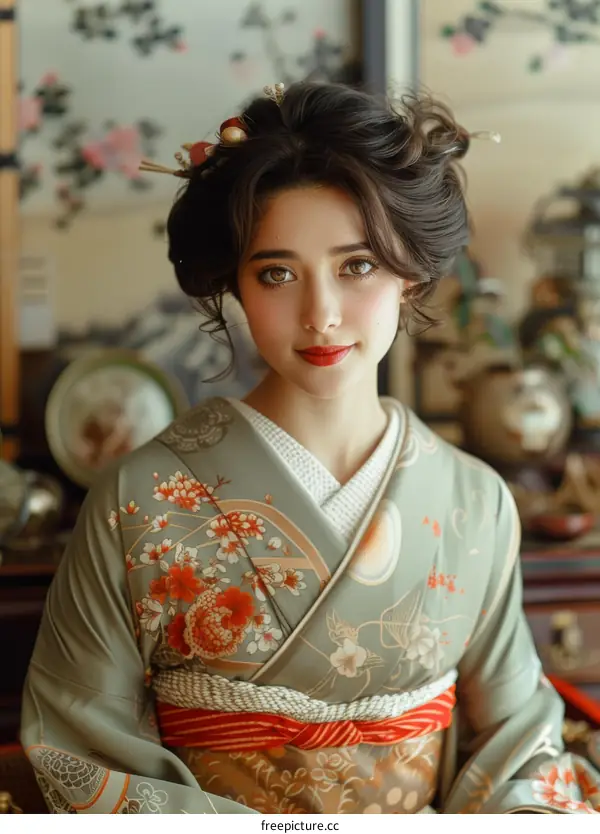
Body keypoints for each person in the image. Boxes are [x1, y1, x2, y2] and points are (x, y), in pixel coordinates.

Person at [20, 81, 600, 814]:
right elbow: (81, 746)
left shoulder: (472, 501)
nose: (321, 315)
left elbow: (521, 740)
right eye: (277, 273)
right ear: (234, 283)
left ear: (410, 271)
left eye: (357, 266)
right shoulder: (137, 499)